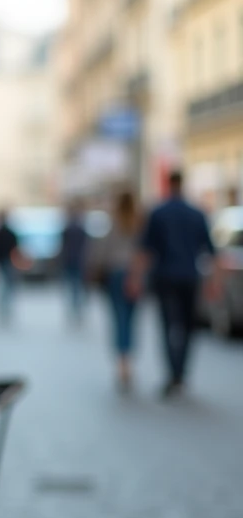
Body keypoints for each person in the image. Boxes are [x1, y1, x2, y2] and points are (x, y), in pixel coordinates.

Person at [129, 170, 221, 398]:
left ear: (169, 185)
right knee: (188, 327)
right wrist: (213, 282)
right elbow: (211, 252)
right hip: (190, 277)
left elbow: (145, 250)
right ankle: (181, 372)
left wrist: (136, 277)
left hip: (165, 277)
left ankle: (173, 373)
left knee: (168, 326)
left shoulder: (158, 213)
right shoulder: (197, 214)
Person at [87, 192, 142, 391]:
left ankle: (122, 363)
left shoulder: (113, 223)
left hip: (117, 275)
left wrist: (94, 269)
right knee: (131, 319)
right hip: (135, 275)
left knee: (119, 319)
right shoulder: (139, 223)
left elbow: (100, 252)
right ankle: (128, 361)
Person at [0, 210, 22, 323]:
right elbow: (16, 248)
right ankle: (5, 308)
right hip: (8, 261)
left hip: (1, 261)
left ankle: (3, 308)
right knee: (8, 285)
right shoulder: (10, 233)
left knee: (3, 286)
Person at [60, 201, 89, 324]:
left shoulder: (68, 229)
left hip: (71, 261)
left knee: (73, 288)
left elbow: (63, 248)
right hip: (77, 262)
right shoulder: (80, 230)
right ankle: (77, 311)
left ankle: (75, 310)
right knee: (76, 288)